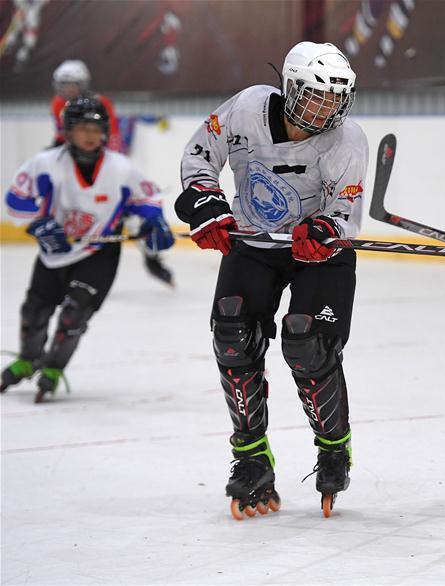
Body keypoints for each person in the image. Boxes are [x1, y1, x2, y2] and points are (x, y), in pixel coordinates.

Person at [174, 41, 367, 520]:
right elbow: (200, 155)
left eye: (335, 97)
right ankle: (252, 456)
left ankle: (333, 446)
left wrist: (325, 229)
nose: (327, 107)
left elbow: (344, 210)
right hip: (255, 246)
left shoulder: (347, 140)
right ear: (290, 87)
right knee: (232, 332)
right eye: (317, 95)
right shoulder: (244, 109)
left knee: (307, 341)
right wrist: (207, 205)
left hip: (319, 256)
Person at [0, 96, 174, 403]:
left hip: (98, 255)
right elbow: (15, 200)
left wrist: (155, 223)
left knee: (74, 312)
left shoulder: (120, 168)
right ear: (67, 130)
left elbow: (147, 200)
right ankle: (29, 358)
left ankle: (53, 368)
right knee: (34, 311)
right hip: (54, 253)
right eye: (82, 127)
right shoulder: (45, 164)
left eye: (96, 127)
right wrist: (40, 224)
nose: (91, 135)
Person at [51, 59, 175, 287]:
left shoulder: (100, 104)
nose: (68, 90)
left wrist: (110, 174)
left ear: (83, 84)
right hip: (78, 170)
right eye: (64, 84)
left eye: (72, 84)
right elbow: (63, 137)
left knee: (132, 217)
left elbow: (112, 139)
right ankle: (76, 265)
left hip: (102, 167)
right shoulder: (58, 105)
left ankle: (153, 259)